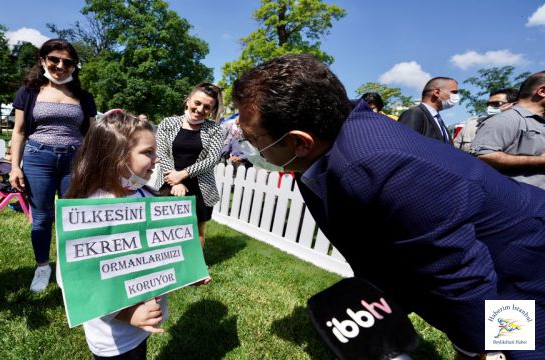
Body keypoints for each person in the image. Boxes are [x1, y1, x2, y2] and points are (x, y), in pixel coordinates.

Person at [232, 54, 544, 360]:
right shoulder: (326, 141)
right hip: (484, 261)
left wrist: (479, 348)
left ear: (301, 142)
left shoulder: (378, 164)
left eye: (252, 139)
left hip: (519, 265)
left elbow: (458, 272)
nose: (249, 148)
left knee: (520, 347)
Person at [64, 110, 166, 360]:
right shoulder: (90, 209)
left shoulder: (144, 195)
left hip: (143, 325)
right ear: (116, 157)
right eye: (148, 152)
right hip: (112, 338)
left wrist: (188, 272)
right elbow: (81, 282)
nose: (157, 159)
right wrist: (128, 313)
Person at [9, 39, 97, 293]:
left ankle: (69, 269)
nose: (60, 66)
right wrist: (15, 166)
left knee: (73, 218)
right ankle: (42, 267)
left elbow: (92, 135)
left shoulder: (83, 96)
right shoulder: (29, 92)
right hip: (38, 159)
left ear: (74, 66)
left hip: (74, 161)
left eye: (68, 62)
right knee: (41, 219)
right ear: (43, 60)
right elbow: (19, 132)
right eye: (54, 60)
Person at [155, 83, 224, 247]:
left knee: (197, 230)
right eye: (197, 103)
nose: (200, 109)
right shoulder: (168, 123)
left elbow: (212, 159)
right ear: (188, 101)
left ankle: (196, 269)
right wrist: (176, 180)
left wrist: (183, 174)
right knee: (163, 228)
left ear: (212, 110)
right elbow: (161, 152)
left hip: (201, 188)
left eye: (207, 107)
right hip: (168, 182)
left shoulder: (214, 130)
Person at [470, 72, 545, 190]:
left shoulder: (539, 122)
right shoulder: (506, 119)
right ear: (542, 91)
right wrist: (540, 161)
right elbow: (483, 157)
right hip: (517, 202)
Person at [398, 77, 461, 144]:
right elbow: (404, 145)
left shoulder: (438, 119)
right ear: (437, 92)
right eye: (454, 92)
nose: (456, 96)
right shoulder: (414, 114)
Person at [453, 88, 518, 152]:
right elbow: (453, 152)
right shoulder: (471, 125)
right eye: (487, 104)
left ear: (514, 105)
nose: (489, 107)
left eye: (496, 103)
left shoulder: (522, 128)